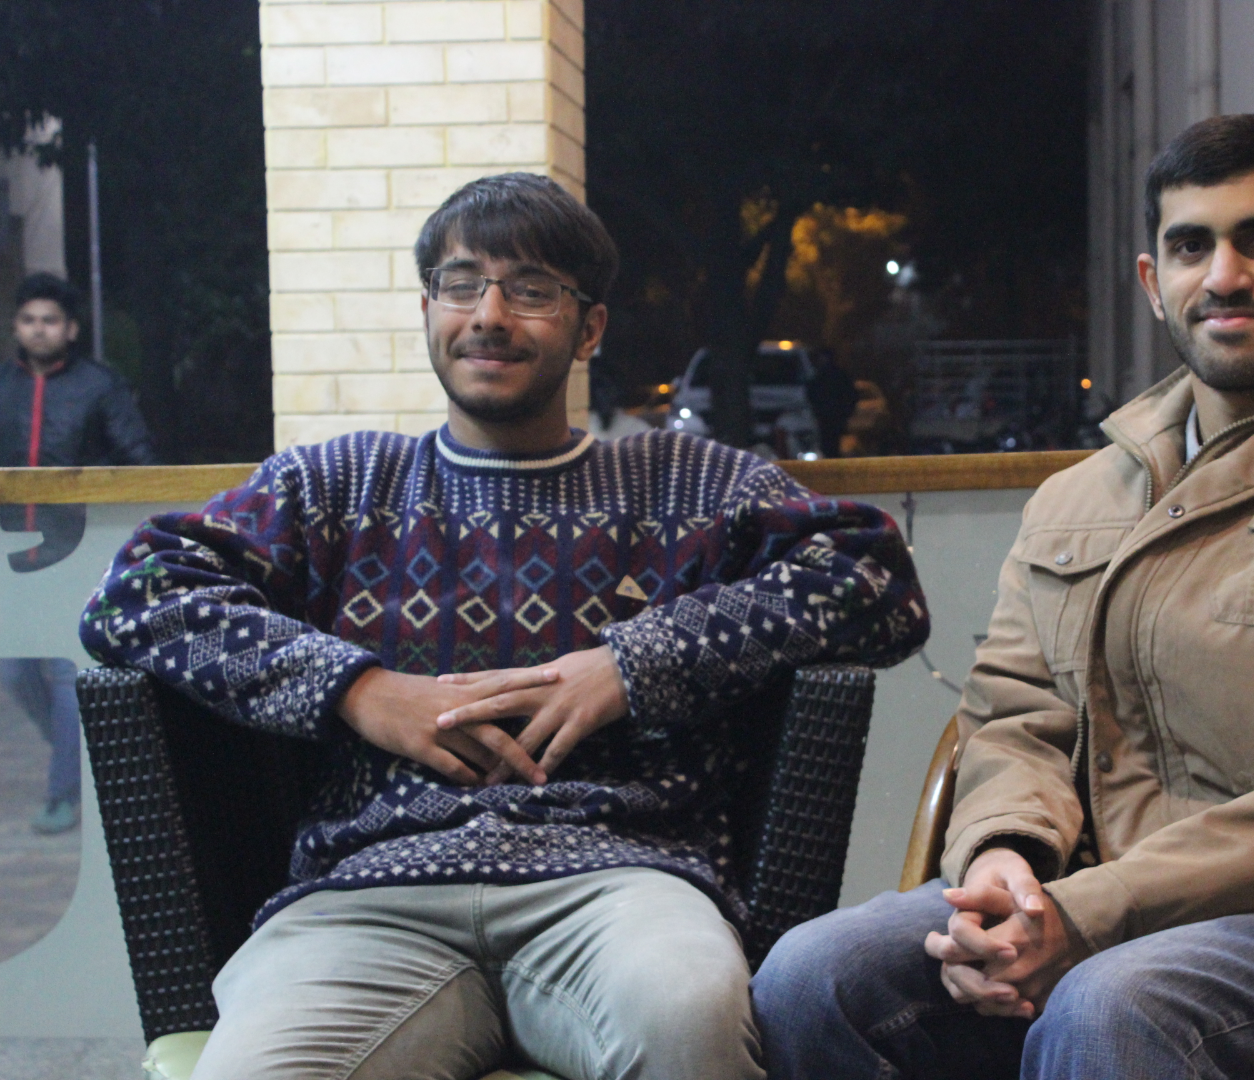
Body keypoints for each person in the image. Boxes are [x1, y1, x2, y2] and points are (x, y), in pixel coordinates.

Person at [80, 173, 928, 1080]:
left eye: (530, 290)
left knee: (690, 1025)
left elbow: (879, 580)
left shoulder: (688, 485)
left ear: (589, 328)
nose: (489, 315)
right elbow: (134, 592)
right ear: (427, 310)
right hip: (370, 895)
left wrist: (632, 665)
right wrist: (358, 690)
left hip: (622, 886)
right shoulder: (335, 486)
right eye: (462, 284)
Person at [753, 114, 1254, 1080]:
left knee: (1107, 1007)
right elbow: (1015, 720)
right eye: (1192, 246)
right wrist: (1004, 862)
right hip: (1085, 897)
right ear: (1154, 280)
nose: (1225, 276)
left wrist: (1094, 911)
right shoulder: (1080, 495)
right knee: (812, 978)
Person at [2, 272, 155, 833]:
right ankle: (75, 752)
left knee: (70, 676)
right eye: (29, 320)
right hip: (13, 558)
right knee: (14, 672)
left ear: (69, 329)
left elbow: (140, 463)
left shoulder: (100, 387)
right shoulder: (3, 386)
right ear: (17, 327)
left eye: (50, 320)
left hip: (79, 553)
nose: (39, 330)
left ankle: (63, 793)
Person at [807, 348, 859, 457]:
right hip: (830, 415)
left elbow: (851, 394)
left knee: (831, 440)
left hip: (833, 414)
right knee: (829, 440)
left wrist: (846, 410)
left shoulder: (829, 375)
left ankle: (831, 456)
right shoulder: (827, 375)